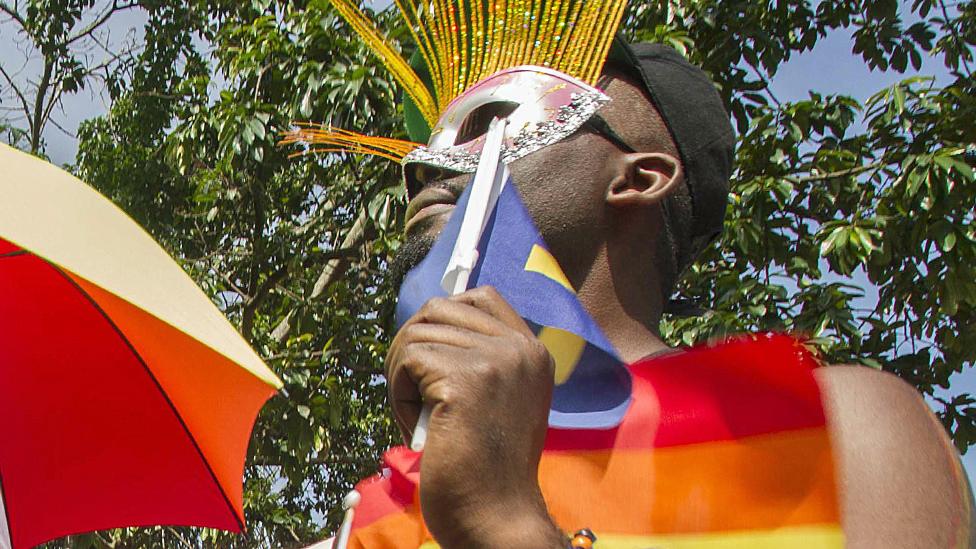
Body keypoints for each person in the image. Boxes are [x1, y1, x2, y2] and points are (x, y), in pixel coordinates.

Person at [291, 2, 974, 546]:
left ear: (638, 177)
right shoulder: (371, 512)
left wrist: (509, 526)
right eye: (434, 139)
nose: (428, 164)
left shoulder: (821, 428)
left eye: (496, 122)